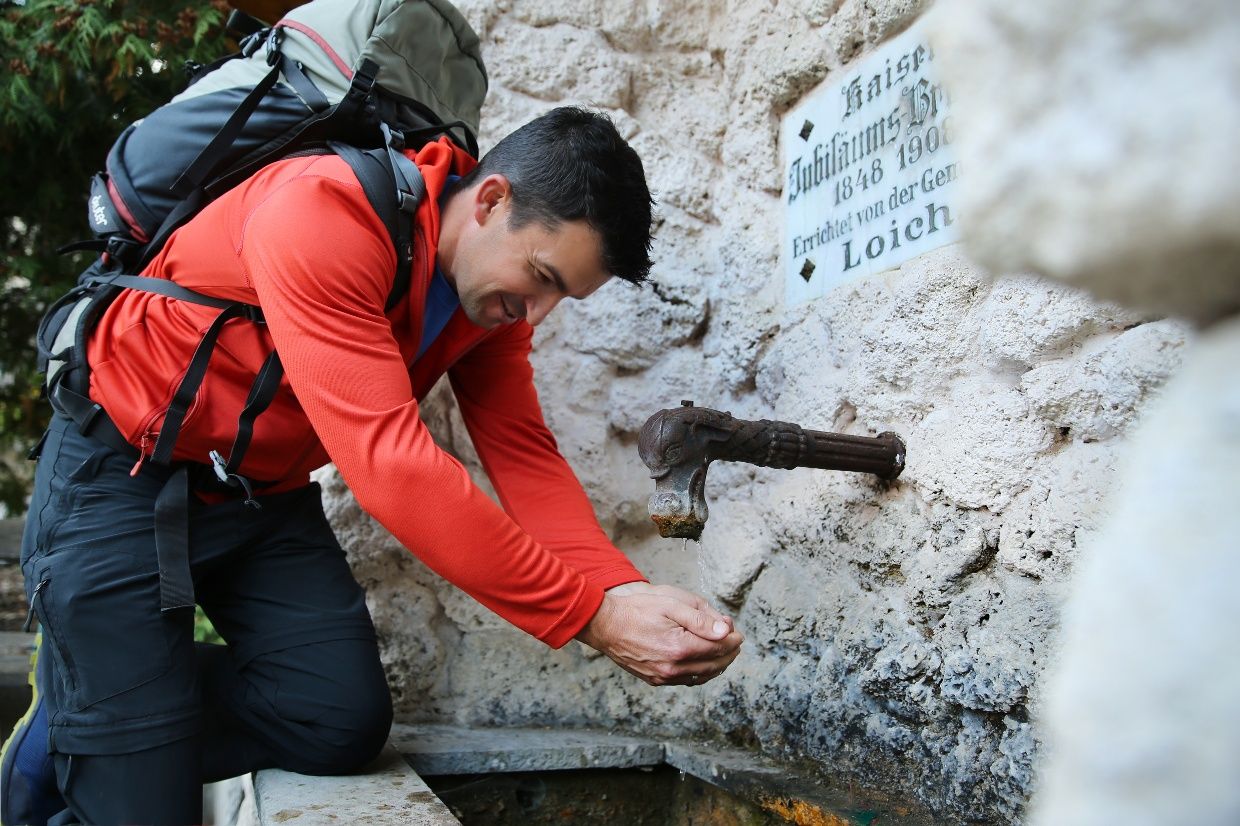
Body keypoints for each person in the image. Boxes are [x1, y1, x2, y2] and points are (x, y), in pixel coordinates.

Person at [0, 106, 744, 825]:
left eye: (564, 297)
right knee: (147, 799)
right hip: (121, 475)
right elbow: (393, 466)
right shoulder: (322, 212)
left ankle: (109, 693)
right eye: (543, 277)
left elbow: (522, 451)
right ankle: (96, 702)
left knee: (336, 720)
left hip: (258, 496)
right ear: (491, 201)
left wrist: (617, 586)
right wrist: (592, 618)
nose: (538, 314)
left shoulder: (487, 299)